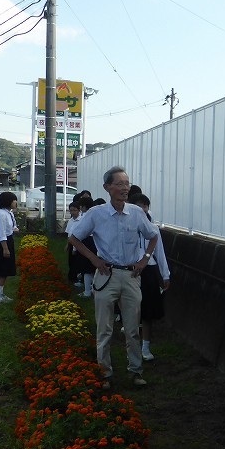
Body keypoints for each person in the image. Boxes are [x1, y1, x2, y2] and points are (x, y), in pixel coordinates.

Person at [68, 166, 160, 389]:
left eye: (126, 183)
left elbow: (153, 235)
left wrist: (144, 260)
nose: (124, 188)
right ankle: (104, 373)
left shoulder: (136, 213)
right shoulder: (96, 213)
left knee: (132, 328)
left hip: (131, 275)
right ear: (107, 187)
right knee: (104, 329)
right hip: (106, 275)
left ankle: (135, 371)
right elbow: (74, 238)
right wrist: (94, 259)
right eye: (119, 184)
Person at [128, 192, 170, 362]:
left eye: (145, 205)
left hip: (149, 270)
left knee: (148, 311)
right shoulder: (126, 226)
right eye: (139, 205)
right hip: (130, 270)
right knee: (131, 310)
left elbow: (160, 252)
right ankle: (132, 346)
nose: (143, 209)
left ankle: (145, 346)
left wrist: (165, 274)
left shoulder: (153, 228)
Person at [65, 201, 83, 287]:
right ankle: (71, 278)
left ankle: (78, 278)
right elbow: (69, 234)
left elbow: (79, 235)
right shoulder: (70, 221)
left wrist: (75, 248)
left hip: (78, 244)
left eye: (74, 210)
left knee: (77, 262)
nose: (72, 212)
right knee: (71, 261)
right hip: (71, 243)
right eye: (71, 210)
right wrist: (67, 245)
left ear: (79, 210)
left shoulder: (82, 220)